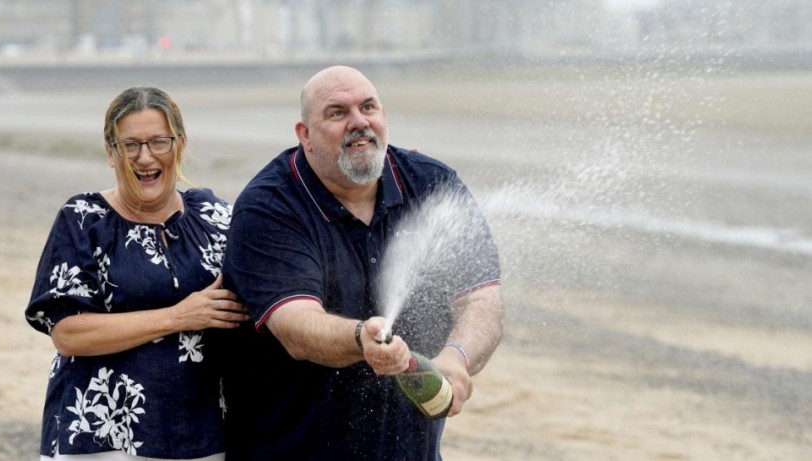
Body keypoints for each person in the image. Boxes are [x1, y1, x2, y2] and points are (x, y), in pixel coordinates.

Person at [219, 66, 504, 460]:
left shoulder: (432, 185)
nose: (359, 122)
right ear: (304, 134)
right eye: (337, 113)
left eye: (368, 107)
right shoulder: (269, 207)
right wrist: (361, 339)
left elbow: (482, 300)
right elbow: (296, 327)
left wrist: (456, 358)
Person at [25, 86, 248, 460]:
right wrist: (178, 316)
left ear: (180, 144)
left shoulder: (216, 216)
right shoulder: (83, 219)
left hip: (200, 434)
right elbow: (68, 334)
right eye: (130, 145)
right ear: (111, 152)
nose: (145, 157)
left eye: (159, 142)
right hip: (101, 437)